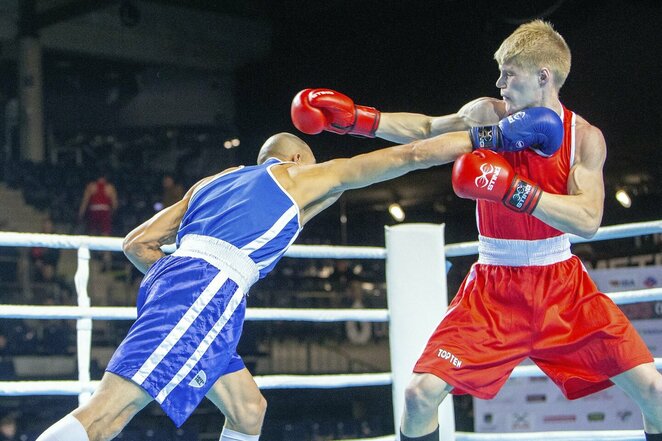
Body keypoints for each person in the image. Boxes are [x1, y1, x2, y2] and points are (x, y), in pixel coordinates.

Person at [36, 113, 560, 441]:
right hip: (203, 291)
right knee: (107, 416)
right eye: (313, 164)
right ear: (293, 158)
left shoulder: (211, 184)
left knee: (248, 411)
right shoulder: (299, 174)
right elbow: (410, 155)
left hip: (195, 287)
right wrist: (496, 136)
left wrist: (185, 276)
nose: (321, 186)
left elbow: (136, 244)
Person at [290, 20, 662, 441]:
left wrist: (515, 192)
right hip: (493, 288)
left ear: (544, 76)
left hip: (564, 287)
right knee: (419, 396)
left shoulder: (585, 139)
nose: (499, 81)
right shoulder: (488, 114)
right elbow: (427, 130)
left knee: (655, 393)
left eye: (510, 72)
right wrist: (359, 119)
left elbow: (589, 220)